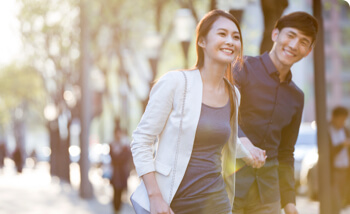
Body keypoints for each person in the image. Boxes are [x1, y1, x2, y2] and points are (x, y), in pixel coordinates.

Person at [130, 9, 251, 214]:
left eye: (236, 36)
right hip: (173, 204)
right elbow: (141, 140)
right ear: (202, 41)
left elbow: (218, 140)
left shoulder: (233, 94)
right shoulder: (176, 83)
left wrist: (250, 152)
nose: (230, 41)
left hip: (217, 203)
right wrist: (155, 197)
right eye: (222, 34)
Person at [232, 12, 318, 214]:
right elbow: (222, 117)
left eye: (303, 41)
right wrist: (244, 141)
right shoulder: (241, 68)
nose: (294, 45)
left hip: (268, 196)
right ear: (275, 35)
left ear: (308, 51)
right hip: (229, 184)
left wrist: (289, 202)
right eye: (291, 35)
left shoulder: (297, 96)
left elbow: (286, 152)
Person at [328, 106, 350, 213]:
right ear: (334, 118)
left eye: (344, 120)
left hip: (345, 170)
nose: (342, 122)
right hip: (334, 172)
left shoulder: (345, 130)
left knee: (342, 200)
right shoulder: (327, 131)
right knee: (335, 202)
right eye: (340, 119)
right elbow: (327, 152)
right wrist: (341, 145)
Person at [109, 122, 132, 214]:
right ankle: (115, 210)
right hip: (115, 174)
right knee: (115, 193)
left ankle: (118, 210)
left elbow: (127, 157)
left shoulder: (125, 145)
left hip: (123, 173)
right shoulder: (112, 145)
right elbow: (113, 158)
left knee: (121, 192)